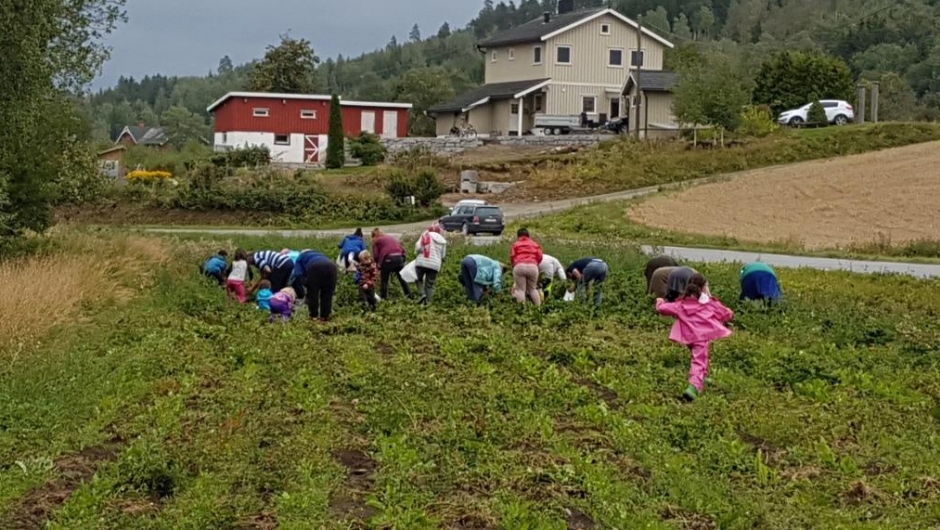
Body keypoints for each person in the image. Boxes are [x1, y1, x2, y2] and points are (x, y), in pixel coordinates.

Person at [656, 273, 734, 401]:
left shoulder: (681, 304)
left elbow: (663, 309)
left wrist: (659, 302)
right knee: (699, 360)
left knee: (700, 357)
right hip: (701, 337)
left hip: (688, 337)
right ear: (703, 288)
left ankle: (702, 377)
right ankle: (694, 387)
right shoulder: (709, 303)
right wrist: (730, 313)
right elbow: (724, 314)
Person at [372, 229, 411, 299]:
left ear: (374, 236)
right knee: (402, 279)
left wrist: (378, 265)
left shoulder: (376, 241)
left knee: (384, 281)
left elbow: (376, 256)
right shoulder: (391, 237)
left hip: (388, 259)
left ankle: (384, 299)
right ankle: (409, 296)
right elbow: (402, 250)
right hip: (399, 258)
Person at [414, 222, 447, 305]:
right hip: (435, 265)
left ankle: (422, 294)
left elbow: (418, 247)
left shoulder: (425, 235)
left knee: (417, 278)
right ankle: (428, 303)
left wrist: (416, 254)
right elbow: (443, 255)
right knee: (430, 284)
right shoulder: (443, 240)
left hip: (422, 262)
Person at [510, 229, 543, 306]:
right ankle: (538, 308)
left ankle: (522, 309)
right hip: (533, 267)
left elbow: (512, 256)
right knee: (532, 289)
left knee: (520, 290)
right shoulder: (535, 244)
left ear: (518, 236)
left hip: (519, 266)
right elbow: (540, 256)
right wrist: (535, 263)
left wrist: (513, 264)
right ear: (528, 235)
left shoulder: (516, 244)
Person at [305, 255, 339, 322]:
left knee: (313, 294)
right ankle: (325, 317)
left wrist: (305, 284)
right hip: (332, 266)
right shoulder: (319, 255)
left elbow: (298, 274)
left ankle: (313, 317)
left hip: (315, 268)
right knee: (327, 294)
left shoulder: (301, 257)